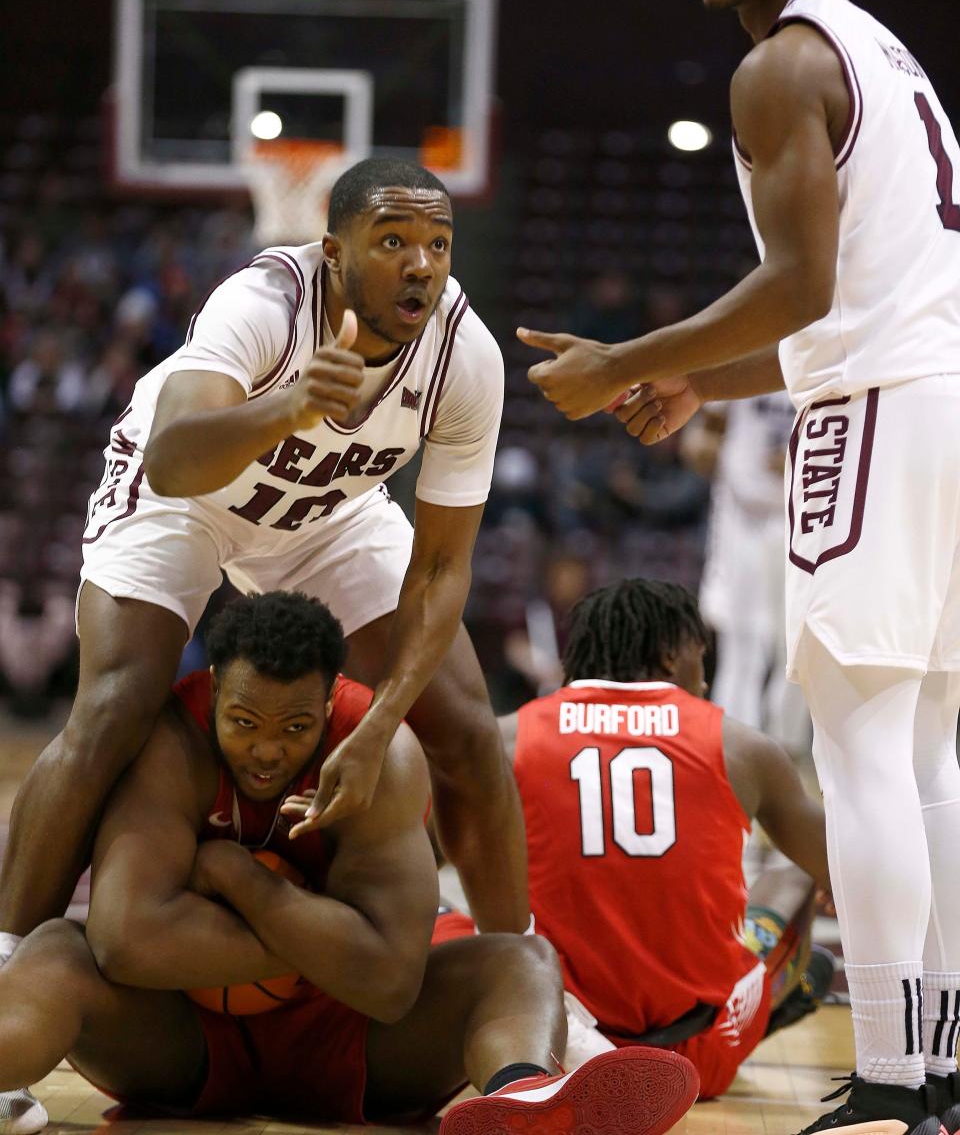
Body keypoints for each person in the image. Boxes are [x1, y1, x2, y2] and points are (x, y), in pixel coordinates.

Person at [518, 0, 960, 1132]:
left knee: (865, 745)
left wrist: (618, 363)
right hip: (941, 397)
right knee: (930, 752)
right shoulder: (888, 59)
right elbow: (857, 303)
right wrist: (705, 381)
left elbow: (801, 288)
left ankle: (892, 1074)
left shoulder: (782, 67)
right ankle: (938, 1059)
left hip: (884, 419)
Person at [0, 157, 528, 1130]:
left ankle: (531, 1015)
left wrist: (382, 728)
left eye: (439, 245)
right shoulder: (262, 303)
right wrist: (290, 406)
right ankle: (3, 965)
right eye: (394, 242)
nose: (423, 265)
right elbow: (172, 452)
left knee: (464, 725)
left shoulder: (466, 355)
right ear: (335, 252)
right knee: (119, 696)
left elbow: (443, 572)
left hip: (328, 514)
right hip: (192, 490)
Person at [0, 590, 699, 1135]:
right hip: (179, 1039)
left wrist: (239, 879)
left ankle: (523, 1099)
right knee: (60, 950)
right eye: (243, 724)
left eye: (295, 728)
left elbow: (392, 980)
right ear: (213, 690)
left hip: (355, 1042)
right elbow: (126, 942)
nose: (267, 752)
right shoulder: (172, 742)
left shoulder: (382, 757)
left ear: (332, 702)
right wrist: (331, 942)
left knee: (522, 960)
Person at [448, 578, 834, 1098]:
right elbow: (847, 870)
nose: (704, 679)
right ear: (672, 657)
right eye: (702, 658)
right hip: (702, 1052)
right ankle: (772, 999)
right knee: (794, 878)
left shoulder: (509, 735)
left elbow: (418, 855)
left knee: (445, 925)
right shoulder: (743, 746)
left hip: (547, 1036)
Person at [683, 392, 808, 752]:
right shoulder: (745, 349)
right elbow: (706, 430)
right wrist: (702, 448)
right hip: (742, 512)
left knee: (799, 641)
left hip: (805, 515)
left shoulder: (829, 352)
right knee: (743, 638)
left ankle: (786, 749)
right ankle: (733, 748)